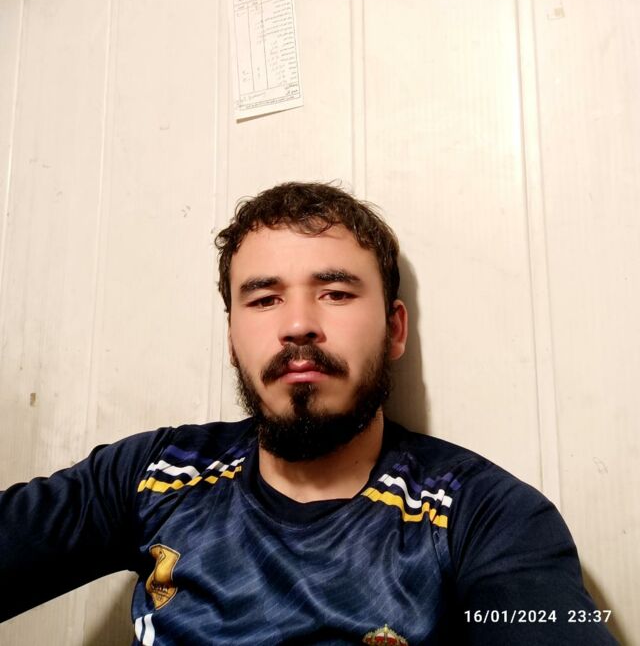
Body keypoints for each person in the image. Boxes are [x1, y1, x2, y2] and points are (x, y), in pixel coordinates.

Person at [0, 181, 617, 645]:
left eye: (336, 293)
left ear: (394, 329)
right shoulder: (155, 474)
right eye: (264, 299)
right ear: (232, 338)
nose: (298, 324)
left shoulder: (484, 518)